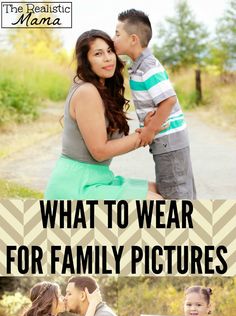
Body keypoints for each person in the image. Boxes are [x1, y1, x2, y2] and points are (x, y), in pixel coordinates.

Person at [45, 29, 161, 200]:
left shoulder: (102, 90)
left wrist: (146, 126)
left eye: (109, 51)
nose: (107, 58)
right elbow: (100, 151)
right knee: (155, 201)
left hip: (100, 178)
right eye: (98, 54)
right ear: (86, 61)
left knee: (163, 189)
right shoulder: (87, 92)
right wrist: (145, 134)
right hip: (76, 185)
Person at [114, 9, 196, 200]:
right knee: (176, 189)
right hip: (166, 143)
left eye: (117, 34)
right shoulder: (138, 66)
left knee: (175, 194)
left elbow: (168, 100)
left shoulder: (147, 66)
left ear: (133, 39)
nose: (113, 38)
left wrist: (150, 130)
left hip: (169, 143)